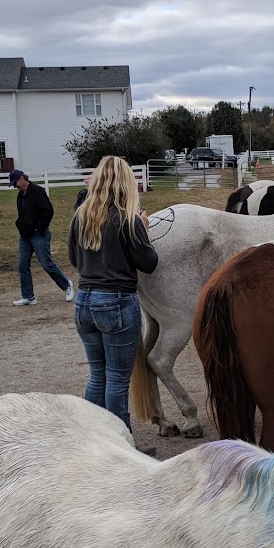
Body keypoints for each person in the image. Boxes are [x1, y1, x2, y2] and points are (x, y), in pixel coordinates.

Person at [68, 155, 158, 429]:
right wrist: (144, 231)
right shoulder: (127, 219)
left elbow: (73, 259)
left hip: (84, 301)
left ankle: (93, 439)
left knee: (98, 376)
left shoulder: (80, 215)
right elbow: (149, 263)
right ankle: (121, 443)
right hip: (117, 303)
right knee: (118, 380)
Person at [11, 168, 74, 306]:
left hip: (39, 235)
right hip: (25, 236)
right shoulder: (20, 195)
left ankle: (67, 285)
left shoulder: (38, 191)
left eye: (15, 182)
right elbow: (22, 214)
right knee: (22, 265)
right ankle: (28, 296)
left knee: (46, 264)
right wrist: (21, 225)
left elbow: (48, 211)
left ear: (22, 179)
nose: (15, 186)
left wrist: (38, 227)